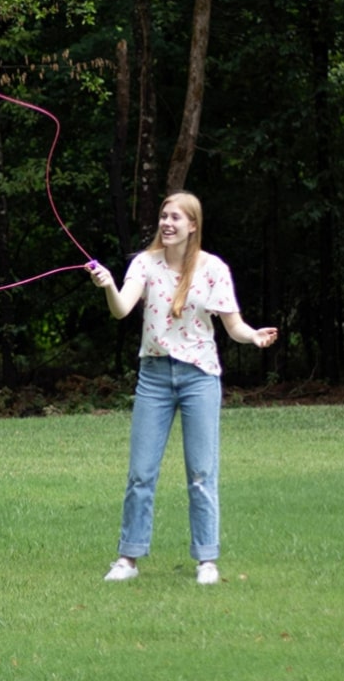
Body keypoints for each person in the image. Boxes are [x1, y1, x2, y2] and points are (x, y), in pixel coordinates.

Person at [88, 191, 278, 584]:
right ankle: (128, 560)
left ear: (193, 225)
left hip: (200, 378)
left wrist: (254, 336)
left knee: (201, 473)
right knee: (141, 474)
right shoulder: (144, 264)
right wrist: (108, 283)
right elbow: (122, 309)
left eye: (176, 218)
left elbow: (233, 325)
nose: (167, 223)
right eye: (163, 216)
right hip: (154, 377)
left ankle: (206, 561)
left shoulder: (213, 269)